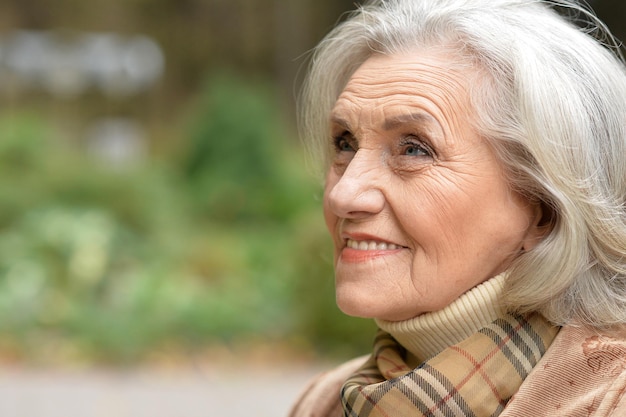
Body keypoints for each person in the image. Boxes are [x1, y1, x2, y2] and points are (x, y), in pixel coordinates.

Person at [289, 0, 626, 415]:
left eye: (413, 149)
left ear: (543, 208)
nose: (344, 194)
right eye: (345, 143)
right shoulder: (322, 402)